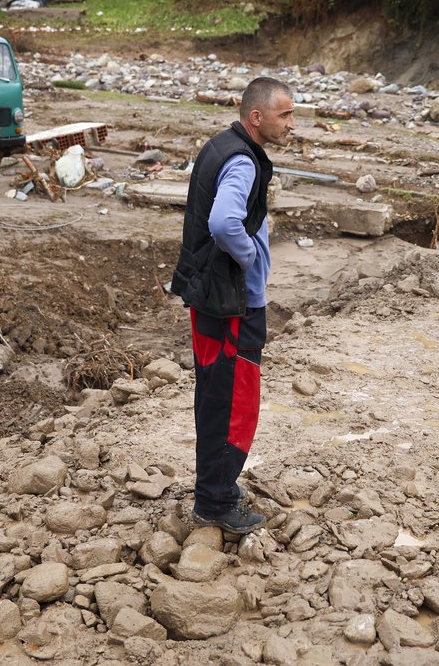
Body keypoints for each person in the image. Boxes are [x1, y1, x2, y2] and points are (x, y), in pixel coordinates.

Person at [170, 77, 297, 535]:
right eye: (285, 114)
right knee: (233, 400)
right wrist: (250, 259)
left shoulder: (222, 145)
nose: (292, 123)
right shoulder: (242, 160)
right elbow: (224, 222)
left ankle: (214, 487)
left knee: (213, 394)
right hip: (229, 301)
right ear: (256, 117)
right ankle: (216, 502)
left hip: (207, 294)